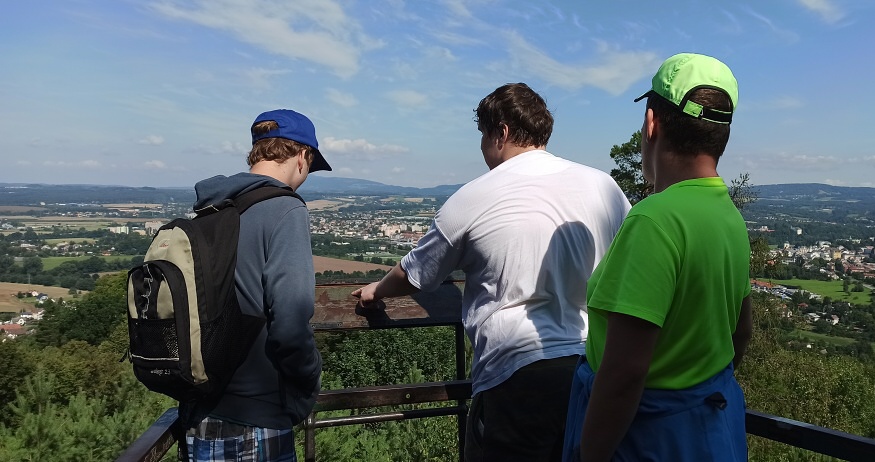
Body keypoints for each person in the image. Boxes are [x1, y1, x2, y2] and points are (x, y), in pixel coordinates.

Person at [353, 83, 631, 461]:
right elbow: (628, 265)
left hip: (516, 374)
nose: (483, 149)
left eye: (484, 136)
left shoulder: (474, 196)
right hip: (595, 368)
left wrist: (377, 290)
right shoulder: (604, 187)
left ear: (500, 133)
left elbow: (416, 272)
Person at [562, 53, 753, 461]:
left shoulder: (654, 220)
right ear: (721, 135)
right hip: (708, 430)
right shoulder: (729, 216)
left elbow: (624, 374)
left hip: (647, 440)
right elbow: (740, 332)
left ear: (652, 123)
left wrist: (589, 454)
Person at [180, 109, 329, 462]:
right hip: (253, 422)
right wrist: (309, 382)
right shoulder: (285, 209)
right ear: (302, 157)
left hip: (198, 412)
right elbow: (291, 323)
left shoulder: (214, 207)